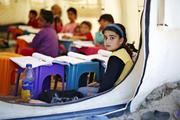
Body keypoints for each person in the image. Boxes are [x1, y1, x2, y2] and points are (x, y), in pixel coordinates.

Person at [78, 23, 133, 97]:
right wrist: (98, 82)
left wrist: (97, 95)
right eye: (105, 38)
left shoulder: (116, 58)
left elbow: (108, 85)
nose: (107, 41)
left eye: (112, 38)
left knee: (81, 90)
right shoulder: (123, 52)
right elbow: (113, 76)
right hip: (122, 90)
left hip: (116, 94)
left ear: (121, 40)